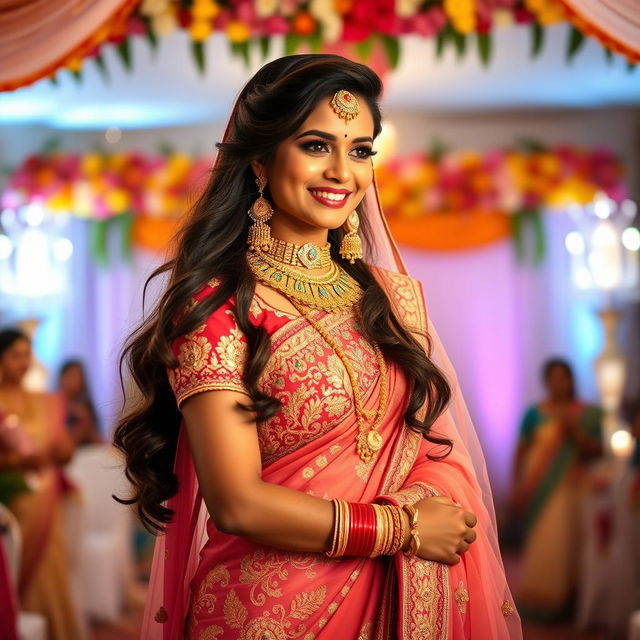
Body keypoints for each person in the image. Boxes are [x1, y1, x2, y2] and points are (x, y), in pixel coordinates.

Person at [114, 54, 522, 639]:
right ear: (259, 159)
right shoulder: (215, 307)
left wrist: (433, 504)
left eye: (359, 151)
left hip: (390, 603)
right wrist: (401, 530)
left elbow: (431, 450)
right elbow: (237, 503)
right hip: (262, 614)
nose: (341, 172)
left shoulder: (390, 301)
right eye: (314, 145)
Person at [0, 328, 84, 640]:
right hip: (10, 498)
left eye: (27, 355)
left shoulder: (44, 401)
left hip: (46, 497)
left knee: (49, 571)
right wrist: (17, 462)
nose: (23, 363)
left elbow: (63, 451)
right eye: (15, 356)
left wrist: (64, 447)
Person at [510, 357, 603, 621]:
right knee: (541, 543)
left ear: (572, 380)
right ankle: (540, 603)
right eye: (553, 378)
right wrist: (517, 486)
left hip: (570, 490)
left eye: (564, 377)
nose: (559, 383)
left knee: (568, 544)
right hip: (537, 490)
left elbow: (598, 451)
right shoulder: (534, 413)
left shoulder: (585, 414)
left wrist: (573, 430)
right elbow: (521, 451)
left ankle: (568, 604)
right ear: (546, 381)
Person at [58, 359, 102, 446]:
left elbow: (97, 439)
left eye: (77, 377)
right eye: (69, 376)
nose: (73, 381)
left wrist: (85, 420)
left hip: (85, 454)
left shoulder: (86, 407)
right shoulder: (55, 405)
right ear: (62, 378)